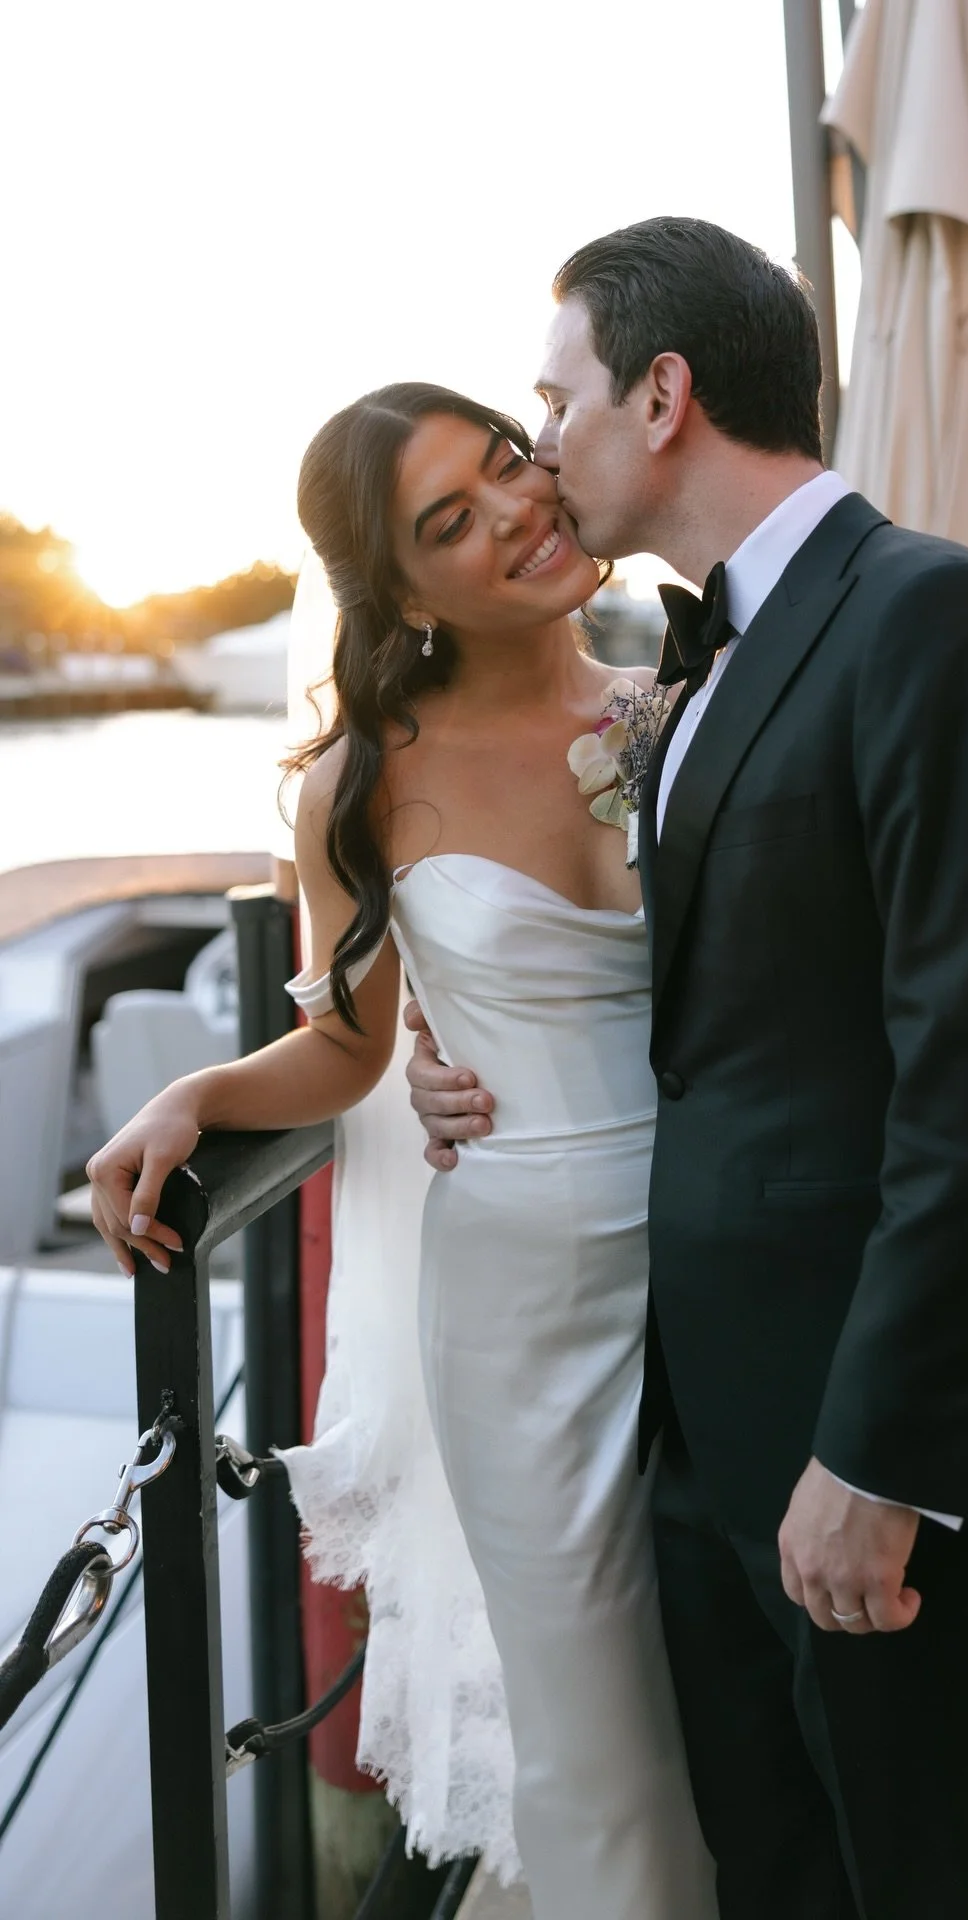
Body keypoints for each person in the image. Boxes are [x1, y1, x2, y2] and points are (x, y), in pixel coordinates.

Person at [405, 216, 968, 1918]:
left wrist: (878, 1466)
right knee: (780, 1874)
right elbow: (714, 1002)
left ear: (663, 396)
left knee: (934, 1876)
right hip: (711, 1430)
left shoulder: (939, 626)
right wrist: (451, 1049)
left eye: (554, 400)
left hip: (877, 1448)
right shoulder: (695, 656)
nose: (543, 445)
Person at [86, 380, 718, 1920]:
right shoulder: (359, 783)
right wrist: (196, 1100)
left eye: (507, 463)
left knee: (736, 1691)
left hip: (721, 1253)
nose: (515, 508)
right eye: (450, 519)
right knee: (592, 1727)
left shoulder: (679, 712)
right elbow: (353, 1044)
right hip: (517, 1304)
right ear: (402, 591)